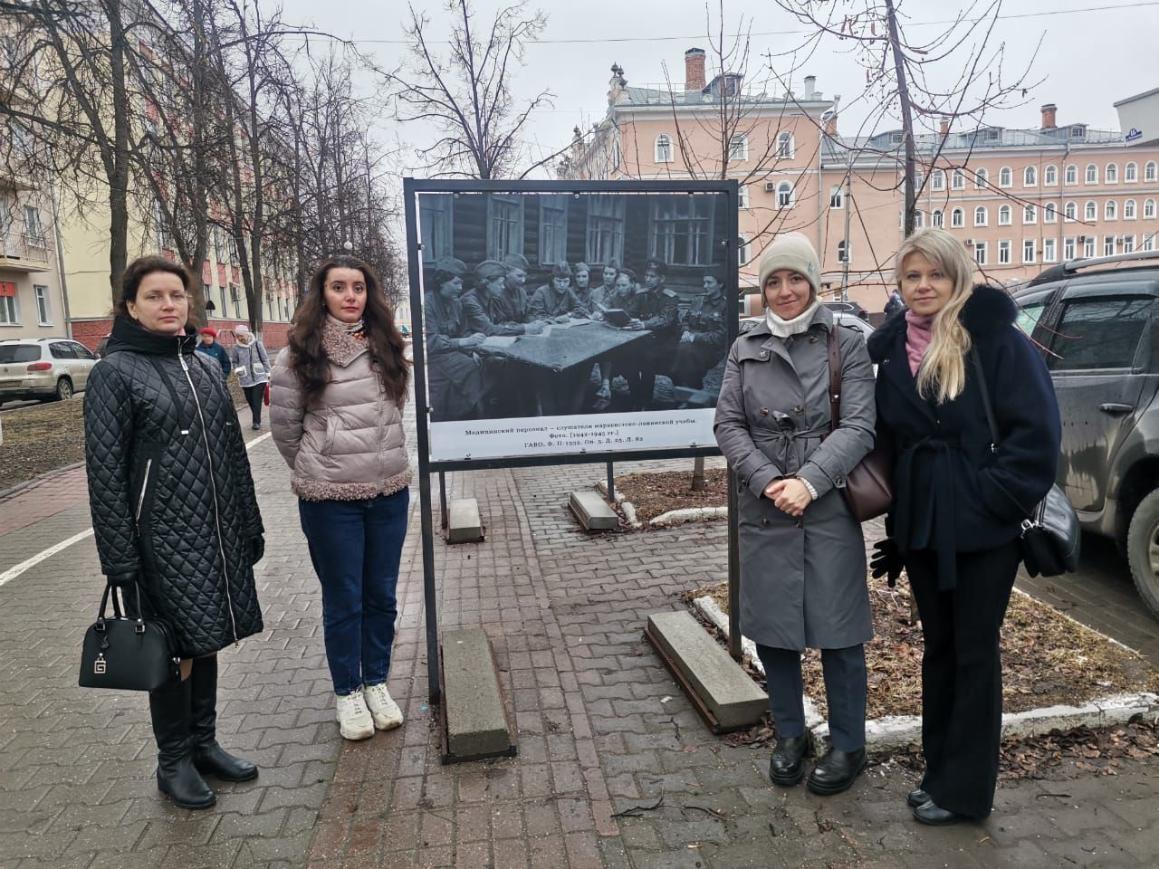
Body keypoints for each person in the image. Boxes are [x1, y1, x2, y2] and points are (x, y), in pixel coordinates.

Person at [867, 228, 1060, 825]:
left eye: (936, 275)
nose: (924, 286)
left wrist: (991, 498)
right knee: (939, 649)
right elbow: (891, 439)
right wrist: (898, 520)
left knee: (975, 652)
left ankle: (966, 792)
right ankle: (938, 773)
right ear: (900, 285)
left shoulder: (995, 340)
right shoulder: (893, 350)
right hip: (922, 526)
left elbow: (1037, 435)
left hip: (984, 530)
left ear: (957, 279)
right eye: (913, 276)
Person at [83, 255, 264, 810]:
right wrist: (119, 557)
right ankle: (173, 761)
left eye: (177, 295)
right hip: (157, 542)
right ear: (131, 307)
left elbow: (232, 453)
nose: (169, 305)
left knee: (205, 639)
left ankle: (204, 744)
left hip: (213, 534)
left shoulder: (205, 366)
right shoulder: (115, 373)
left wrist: (249, 523)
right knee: (172, 650)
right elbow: (104, 472)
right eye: (155, 296)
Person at [714, 232, 877, 797]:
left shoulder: (844, 342)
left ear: (813, 282)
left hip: (826, 502)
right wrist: (766, 481)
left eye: (795, 279)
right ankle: (790, 735)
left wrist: (808, 482)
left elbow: (859, 425)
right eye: (774, 282)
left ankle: (849, 743)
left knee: (840, 630)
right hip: (765, 508)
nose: (785, 291)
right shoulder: (744, 347)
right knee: (774, 631)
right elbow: (728, 424)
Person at [269, 255, 412, 742]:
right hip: (331, 501)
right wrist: (323, 465)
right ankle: (348, 692)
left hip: (389, 492)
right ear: (322, 294)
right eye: (338, 287)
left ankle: (377, 683)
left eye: (358, 287)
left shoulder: (387, 346)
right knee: (344, 599)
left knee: (382, 596)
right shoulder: (299, 354)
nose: (350, 296)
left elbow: (394, 410)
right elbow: (286, 431)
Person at [423, 258, 485, 421]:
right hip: (433, 357)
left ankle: (468, 413)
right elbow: (430, 341)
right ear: (441, 282)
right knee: (469, 367)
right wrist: (462, 343)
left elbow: (464, 331)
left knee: (479, 362)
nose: (460, 288)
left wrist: (471, 350)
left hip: (452, 354)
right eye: (456, 283)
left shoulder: (456, 304)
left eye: (461, 283)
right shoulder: (427, 304)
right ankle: (472, 414)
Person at [626, 259, 680, 410]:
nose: (648, 279)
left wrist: (644, 324)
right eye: (646, 275)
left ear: (662, 278)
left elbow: (665, 319)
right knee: (628, 357)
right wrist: (628, 319)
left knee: (647, 359)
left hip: (664, 341)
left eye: (652, 276)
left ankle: (645, 401)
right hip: (642, 339)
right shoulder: (641, 295)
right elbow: (631, 313)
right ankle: (635, 397)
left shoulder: (670, 298)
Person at [671, 273, 729, 388]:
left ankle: (691, 387)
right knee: (675, 351)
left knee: (686, 354)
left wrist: (694, 337)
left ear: (720, 284)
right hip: (689, 344)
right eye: (704, 282)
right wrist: (686, 331)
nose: (705, 286)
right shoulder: (698, 300)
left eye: (709, 283)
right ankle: (682, 386)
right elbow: (685, 321)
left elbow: (720, 337)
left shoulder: (725, 305)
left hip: (711, 349)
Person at [230, 324, 270, 430]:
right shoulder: (236, 348)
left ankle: (256, 422)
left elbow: (265, 359)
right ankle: (257, 417)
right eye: (238, 336)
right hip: (245, 378)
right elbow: (234, 362)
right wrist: (237, 369)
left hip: (260, 377)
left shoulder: (257, 344)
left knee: (256, 399)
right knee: (250, 400)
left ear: (247, 334)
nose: (240, 338)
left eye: (241, 335)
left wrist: (268, 373)